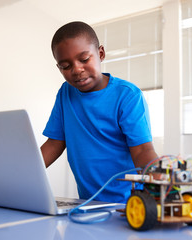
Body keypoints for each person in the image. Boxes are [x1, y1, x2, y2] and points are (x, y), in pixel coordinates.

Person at [40, 21, 158, 203]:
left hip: (129, 203)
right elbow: (54, 143)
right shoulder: (65, 93)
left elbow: (142, 149)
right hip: (88, 203)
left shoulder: (127, 95)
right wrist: (22, 173)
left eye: (84, 59)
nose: (77, 69)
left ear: (100, 53)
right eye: (66, 66)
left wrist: (158, 180)